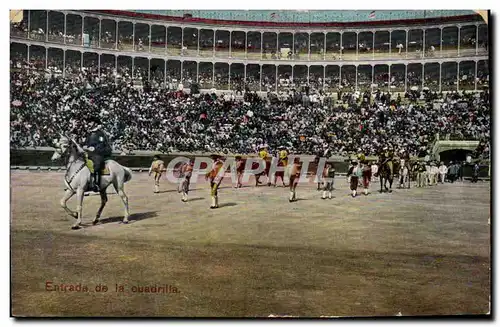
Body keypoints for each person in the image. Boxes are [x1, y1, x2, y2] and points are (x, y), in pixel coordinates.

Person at [84, 122, 112, 192]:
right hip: (89, 153)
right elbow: (86, 144)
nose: (89, 124)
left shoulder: (101, 133)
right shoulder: (89, 133)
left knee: (97, 165)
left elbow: (102, 144)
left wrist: (94, 149)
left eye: (90, 122)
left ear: (95, 124)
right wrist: (85, 147)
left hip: (98, 153)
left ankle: (96, 184)